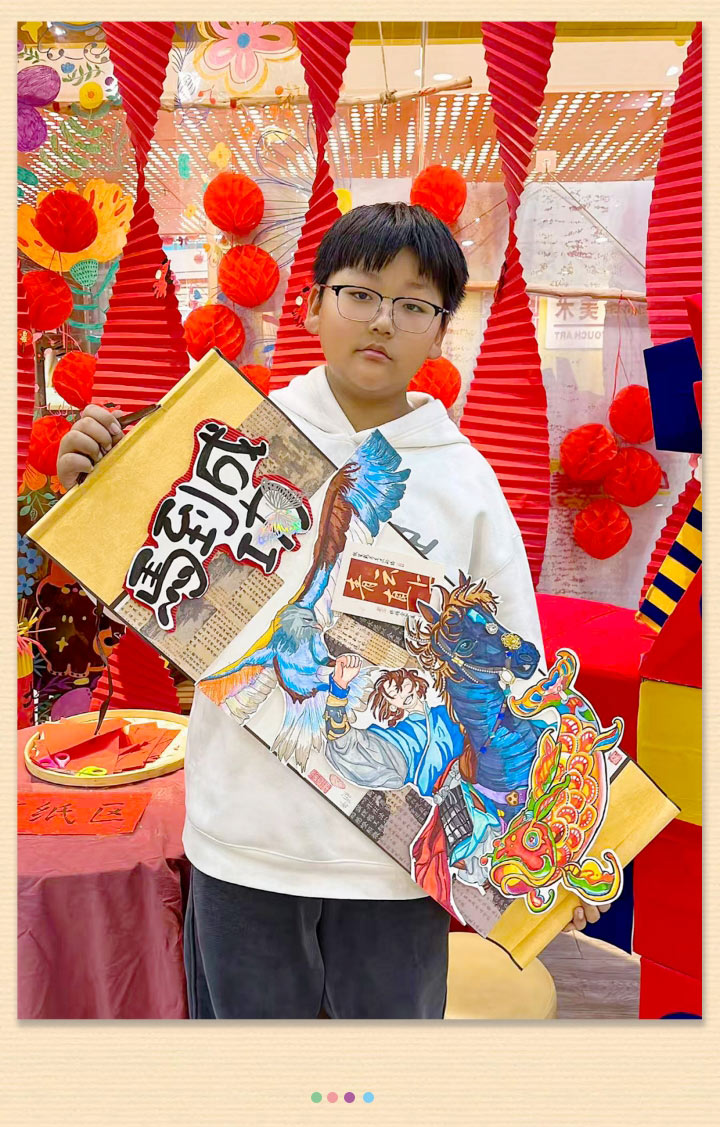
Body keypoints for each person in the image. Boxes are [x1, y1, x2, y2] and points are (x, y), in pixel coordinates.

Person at [56, 198, 597, 1021]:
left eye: (413, 305)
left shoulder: (467, 482)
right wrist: (96, 491)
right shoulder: (233, 441)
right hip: (243, 842)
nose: (382, 320)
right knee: (254, 1084)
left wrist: (565, 843)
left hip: (397, 862)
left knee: (382, 1082)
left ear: (441, 331)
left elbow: (516, 675)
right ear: (312, 305)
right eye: (360, 293)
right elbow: (152, 587)